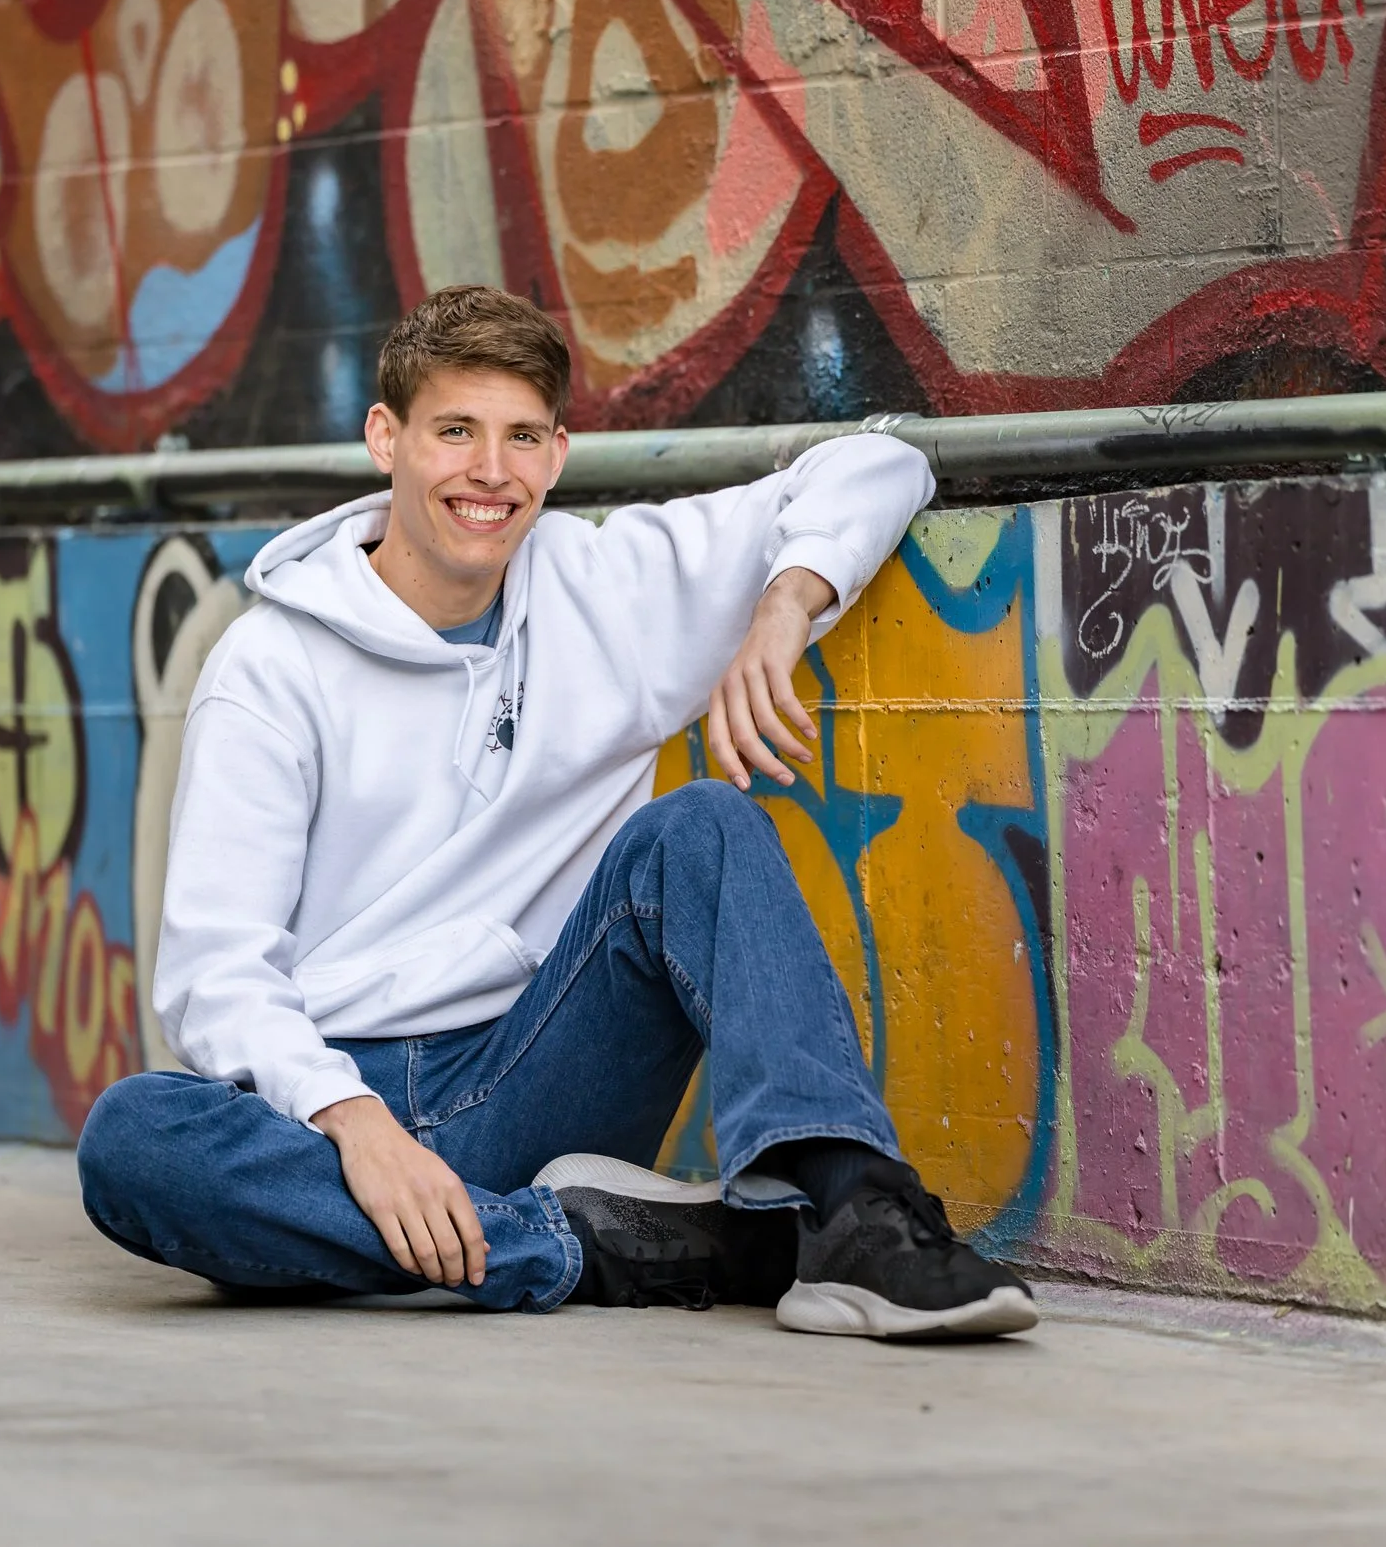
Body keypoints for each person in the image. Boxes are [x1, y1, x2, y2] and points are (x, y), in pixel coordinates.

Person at [74, 286, 1035, 1339]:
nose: (491, 471)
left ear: (559, 451)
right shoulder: (269, 664)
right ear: (385, 438)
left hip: (537, 1072)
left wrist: (784, 605)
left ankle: (854, 1217)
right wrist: (351, 1122)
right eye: (455, 431)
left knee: (700, 823)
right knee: (136, 1139)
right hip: (337, 1100)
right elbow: (216, 977)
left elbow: (879, 463)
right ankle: (588, 1244)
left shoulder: (605, 586)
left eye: (522, 436)